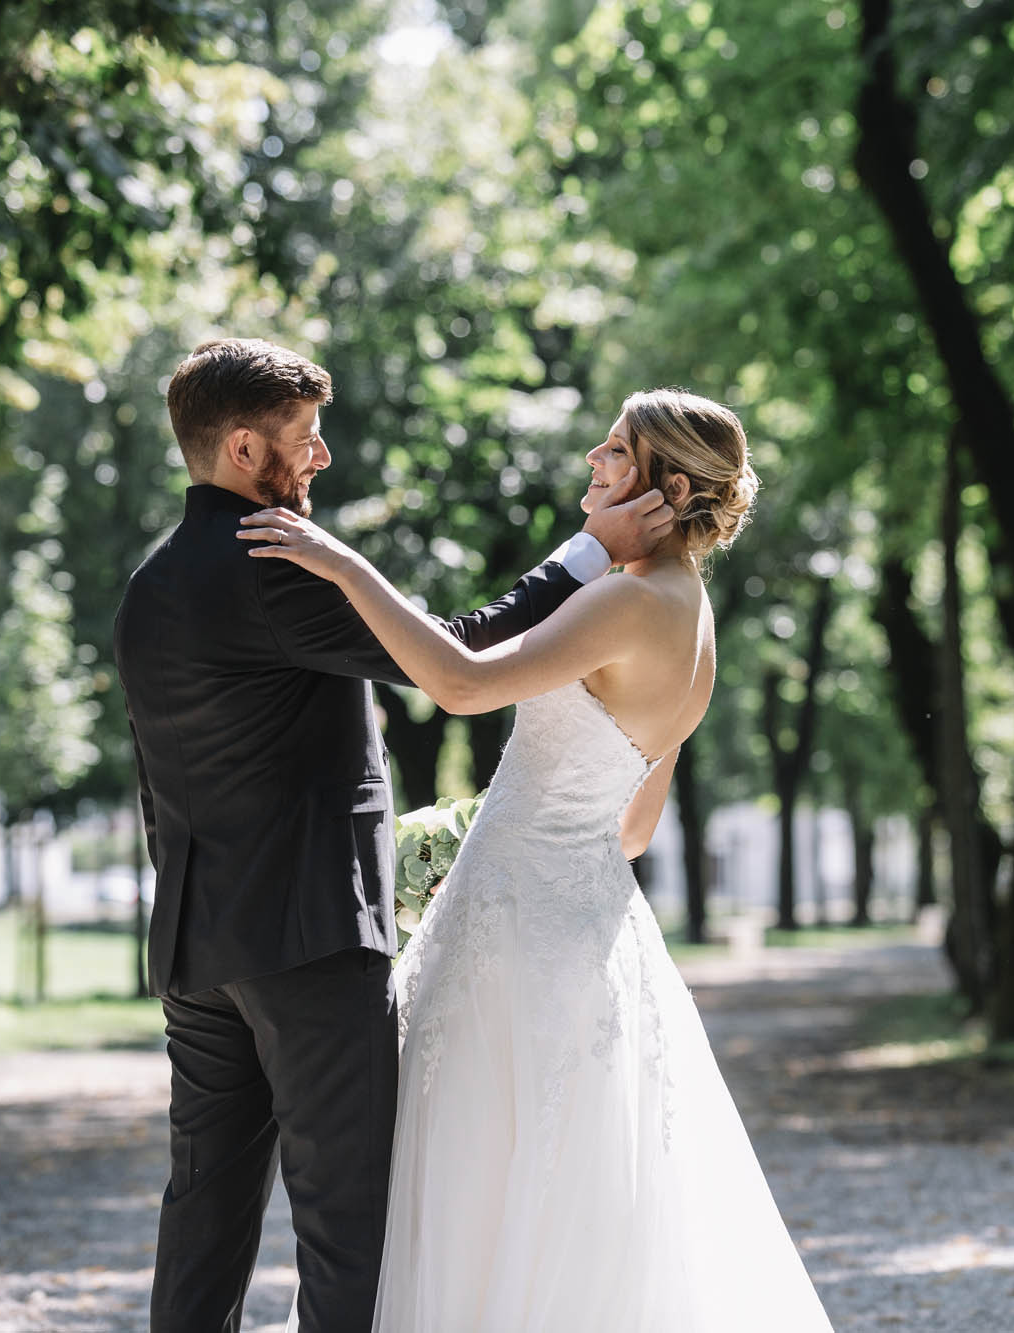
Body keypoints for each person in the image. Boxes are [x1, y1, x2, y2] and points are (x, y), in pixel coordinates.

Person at [240, 388, 835, 1332]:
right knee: (563, 1203)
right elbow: (633, 827)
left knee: (475, 1189)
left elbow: (459, 681)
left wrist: (341, 566)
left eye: (615, 451)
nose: (593, 463)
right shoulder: (695, 620)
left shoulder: (628, 600)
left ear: (668, 485)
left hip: (516, 945)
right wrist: (509, 817)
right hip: (590, 927)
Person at [113, 337, 674, 1333]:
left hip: (196, 946)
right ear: (243, 450)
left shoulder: (153, 581)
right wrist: (586, 552)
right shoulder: (275, 565)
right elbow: (457, 654)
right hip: (309, 943)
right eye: (303, 438)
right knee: (348, 1224)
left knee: (202, 1210)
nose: (320, 456)